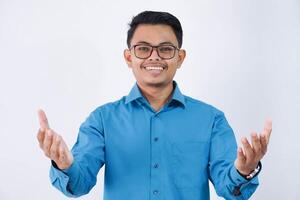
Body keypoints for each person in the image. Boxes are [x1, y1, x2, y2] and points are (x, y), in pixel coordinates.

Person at [37, 11, 272, 200]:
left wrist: (244, 170)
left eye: (165, 49)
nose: (154, 57)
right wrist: (64, 164)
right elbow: (78, 185)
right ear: (129, 58)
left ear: (179, 58)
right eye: (143, 48)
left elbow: (230, 190)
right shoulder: (102, 120)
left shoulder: (211, 120)